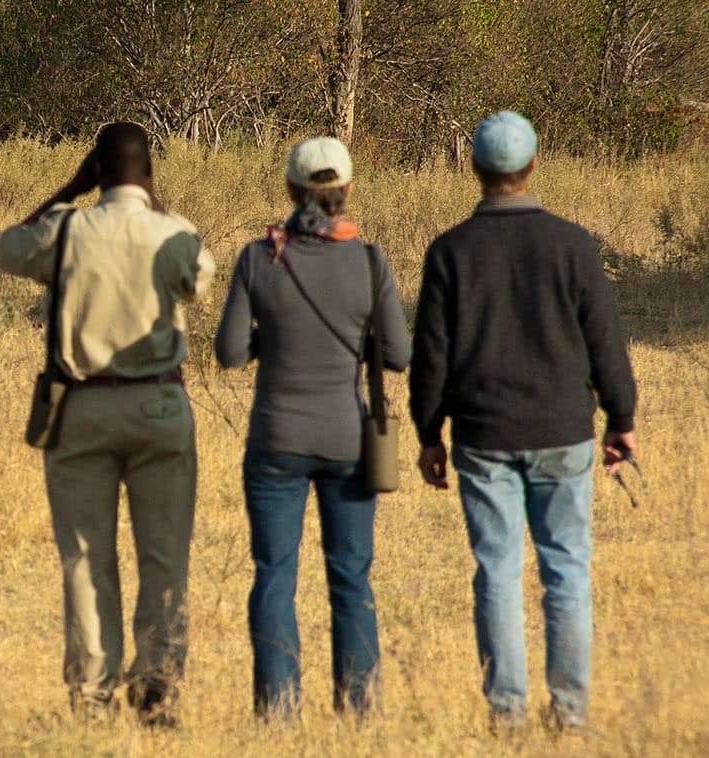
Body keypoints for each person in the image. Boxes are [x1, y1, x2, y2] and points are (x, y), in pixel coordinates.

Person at [409, 111, 638, 731]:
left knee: (498, 571)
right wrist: (622, 416)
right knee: (565, 569)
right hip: (564, 431)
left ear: (474, 168)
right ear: (533, 165)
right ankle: (570, 712)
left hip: (483, 436)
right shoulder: (573, 244)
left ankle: (506, 714)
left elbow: (431, 353)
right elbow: (605, 342)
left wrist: (429, 433)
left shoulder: (450, 251)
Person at [0, 122, 215, 726]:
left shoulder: (67, 230)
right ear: (147, 171)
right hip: (160, 408)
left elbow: (8, 249)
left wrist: (67, 191)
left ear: (95, 168)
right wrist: (155, 202)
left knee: (86, 562)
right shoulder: (174, 232)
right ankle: (157, 688)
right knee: (165, 556)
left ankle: (92, 697)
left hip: (82, 410)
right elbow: (200, 276)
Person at [215, 136, 411, 720]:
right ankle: (360, 709)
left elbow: (227, 352)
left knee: (274, 575)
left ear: (291, 190)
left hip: (275, 440)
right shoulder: (371, 261)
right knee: (351, 577)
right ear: (346, 191)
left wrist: (267, 336)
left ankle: (278, 711)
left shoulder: (259, 257)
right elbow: (398, 355)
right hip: (348, 441)